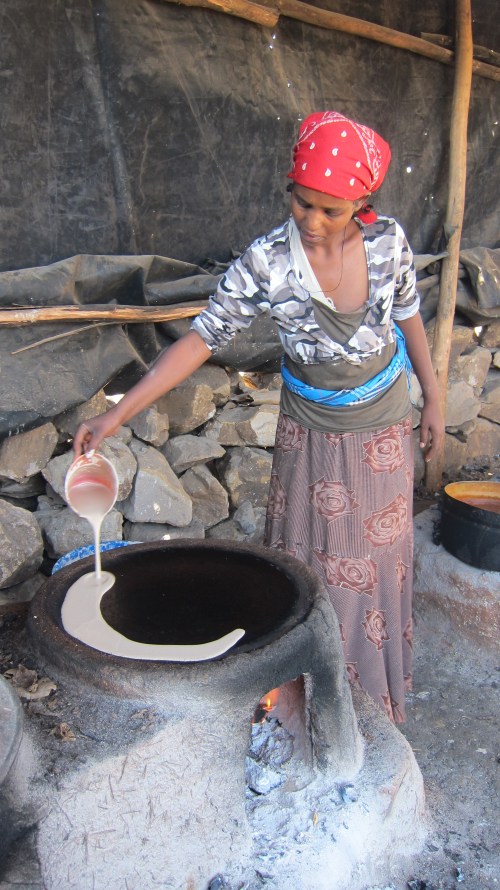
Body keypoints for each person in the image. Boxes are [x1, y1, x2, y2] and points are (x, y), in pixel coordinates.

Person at [74, 110, 444, 723]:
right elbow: (199, 341)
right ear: (288, 190)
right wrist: (117, 415)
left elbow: (408, 316)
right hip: (312, 438)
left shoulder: (389, 244)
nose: (315, 221)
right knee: (308, 561)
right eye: (303, 205)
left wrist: (433, 394)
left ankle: (365, 704)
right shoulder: (268, 262)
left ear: (363, 201)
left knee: (375, 562)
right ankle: (302, 689)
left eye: (333, 209)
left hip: (382, 428)